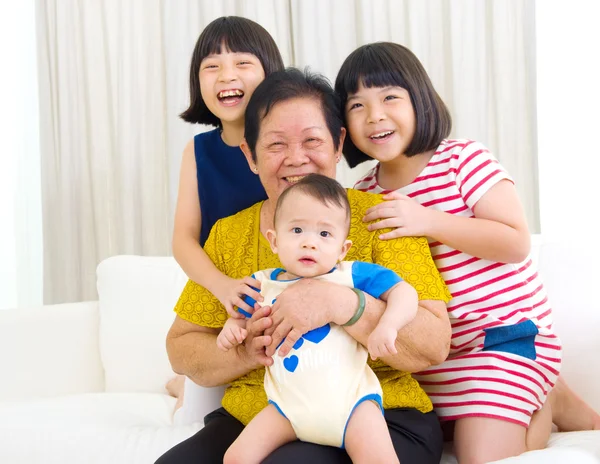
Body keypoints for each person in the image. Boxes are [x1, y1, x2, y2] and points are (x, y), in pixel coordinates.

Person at [155, 67, 453, 464]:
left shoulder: (381, 219)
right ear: (250, 155)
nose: (296, 159)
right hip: (262, 416)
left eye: (312, 140)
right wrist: (246, 351)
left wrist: (344, 306)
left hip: (376, 416)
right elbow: (182, 348)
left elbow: (434, 343)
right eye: (276, 144)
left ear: (337, 144)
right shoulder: (229, 235)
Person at [335, 41, 600, 463]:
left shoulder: (461, 159)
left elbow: (514, 241)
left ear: (419, 100)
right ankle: (540, 395)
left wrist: (429, 220)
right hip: (431, 358)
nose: (376, 115)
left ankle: (548, 402)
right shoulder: (362, 196)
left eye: (389, 97)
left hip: (503, 339)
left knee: (480, 458)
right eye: (357, 105)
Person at [218, 174, 419, 463]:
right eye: (297, 230)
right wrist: (232, 329)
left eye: (324, 234)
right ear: (274, 240)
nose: (310, 243)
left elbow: (405, 292)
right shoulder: (261, 284)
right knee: (235, 458)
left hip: (352, 406)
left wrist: (388, 325)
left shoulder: (348, 275)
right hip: (286, 409)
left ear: (342, 248)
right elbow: (238, 316)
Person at [169, 16, 284, 418]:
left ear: (271, 72)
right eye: (211, 67)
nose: (226, 76)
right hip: (223, 300)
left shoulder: (289, 144)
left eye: (242, 63)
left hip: (283, 291)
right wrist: (221, 287)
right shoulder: (197, 152)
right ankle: (180, 382)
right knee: (196, 409)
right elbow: (183, 239)